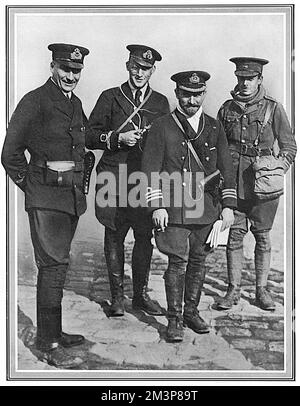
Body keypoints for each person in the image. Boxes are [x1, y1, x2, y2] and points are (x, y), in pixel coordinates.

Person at [2, 43, 90, 368]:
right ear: (52, 66)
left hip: (68, 200)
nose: (70, 76)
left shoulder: (76, 103)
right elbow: (10, 153)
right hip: (45, 200)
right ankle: (49, 344)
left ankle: (54, 331)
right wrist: (33, 185)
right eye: (65, 69)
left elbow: (80, 143)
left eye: (76, 71)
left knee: (58, 266)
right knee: (52, 268)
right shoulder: (34, 100)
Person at [141, 71, 237, 342]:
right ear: (177, 94)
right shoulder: (162, 126)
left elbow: (226, 169)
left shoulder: (214, 126)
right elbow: (149, 169)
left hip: (205, 207)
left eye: (197, 94)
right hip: (172, 207)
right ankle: (174, 319)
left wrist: (228, 205)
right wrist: (156, 206)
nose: (191, 100)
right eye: (186, 94)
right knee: (177, 261)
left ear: (204, 94)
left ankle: (191, 312)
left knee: (198, 259)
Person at [86, 44, 169, 317]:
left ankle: (140, 296)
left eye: (145, 69)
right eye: (135, 67)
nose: (139, 73)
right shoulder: (110, 97)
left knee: (144, 237)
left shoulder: (160, 103)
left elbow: (166, 142)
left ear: (153, 70)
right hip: (112, 176)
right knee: (114, 234)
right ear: (127, 66)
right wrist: (116, 138)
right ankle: (117, 297)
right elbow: (88, 136)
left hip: (143, 180)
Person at [216, 57, 297, 311]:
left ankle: (261, 290)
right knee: (235, 236)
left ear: (259, 80)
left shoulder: (273, 108)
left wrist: (278, 169)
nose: (244, 83)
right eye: (240, 78)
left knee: (262, 237)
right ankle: (233, 290)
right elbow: (218, 146)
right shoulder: (227, 108)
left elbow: (289, 146)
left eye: (249, 79)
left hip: (264, 183)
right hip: (235, 181)